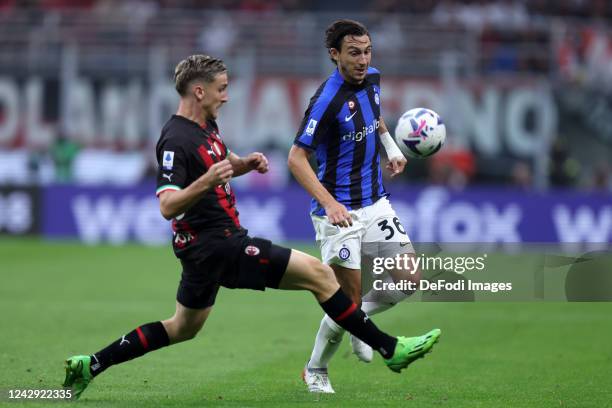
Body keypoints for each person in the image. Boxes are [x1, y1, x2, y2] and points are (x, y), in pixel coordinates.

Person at [62, 54, 441, 399]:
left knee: (183, 327)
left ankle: (90, 364)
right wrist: (207, 181)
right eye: (221, 89)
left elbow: (219, 160)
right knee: (321, 276)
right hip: (217, 244)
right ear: (199, 91)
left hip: (205, 248)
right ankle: (389, 349)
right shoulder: (175, 139)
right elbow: (167, 205)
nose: (226, 96)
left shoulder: (206, 124)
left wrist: (243, 164)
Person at [288, 20, 439, 394]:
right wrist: (329, 203)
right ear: (334, 55)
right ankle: (316, 368)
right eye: (354, 52)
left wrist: (391, 148)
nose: (363, 59)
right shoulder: (325, 101)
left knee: (409, 279)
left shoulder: (372, 78)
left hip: (376, 201)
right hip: (339, 214)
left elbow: (375, 117)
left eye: (367, 50)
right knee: (346, 299)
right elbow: (295, 159)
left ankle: (359, 325)